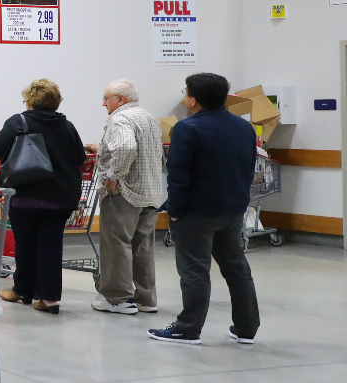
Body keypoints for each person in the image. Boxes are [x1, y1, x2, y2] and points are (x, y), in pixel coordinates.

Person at [149, 73, 260, 345]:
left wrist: (174, 209)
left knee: (195, 271)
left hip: (195, 212)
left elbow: (178, 174)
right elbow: (248, 169)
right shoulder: (244, 127)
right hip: (233, 210)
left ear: (193, 100)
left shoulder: (187, 129)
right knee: (237, 268)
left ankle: (187, 328)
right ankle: (247, 328)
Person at [0, 78, 86, 314]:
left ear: (30, 101)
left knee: (26, 244)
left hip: (26, 195)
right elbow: (80, 157)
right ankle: (49, 299)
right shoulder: (67, 126)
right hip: (61, 198)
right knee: (51, 245)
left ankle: (22, 291)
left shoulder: (18, 121)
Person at [85, 79, 166, 315]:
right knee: (143, 246)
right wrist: (102, 150)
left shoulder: (120, 119)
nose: (103, 104)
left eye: (106, 98)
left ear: (120, 99)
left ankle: (118, 299)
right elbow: (141, 149)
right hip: (149, 192)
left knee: (117, 244)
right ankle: (146, 299)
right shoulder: (148, 118)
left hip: (125, 192)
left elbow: (126, 149)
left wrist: (112, 176)